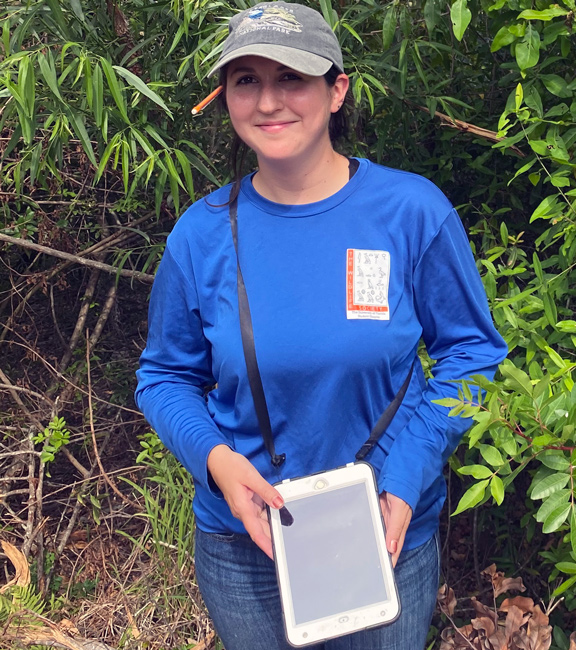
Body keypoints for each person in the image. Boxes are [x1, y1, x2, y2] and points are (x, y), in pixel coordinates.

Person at [134, 3, 507, 648]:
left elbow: (472, 352)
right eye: (246, 79)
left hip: (384, 535)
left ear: (336, 92)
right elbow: (165, 376)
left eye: (292, 79)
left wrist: (410, 469)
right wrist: (217, 461)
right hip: (243, 546)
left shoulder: (410, 213)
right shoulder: (200, 236)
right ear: (224, 98)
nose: (269, 100)